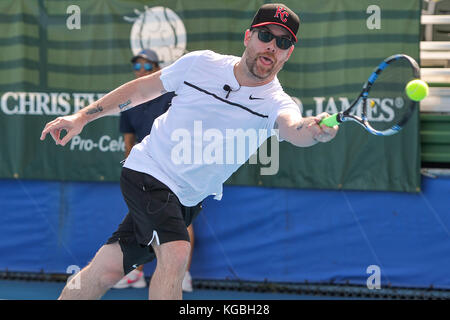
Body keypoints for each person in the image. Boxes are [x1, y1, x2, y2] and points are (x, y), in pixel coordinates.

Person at [40, 3, 338, 300]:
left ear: (289, 53)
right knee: (177, 253)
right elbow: (141, 90)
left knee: (106, 270)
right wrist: (82, 117)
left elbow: (294, 129)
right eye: (265, 36)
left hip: (186, 198)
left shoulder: (277, 102)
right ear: (248, 37)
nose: (272, 46)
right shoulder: (201, 64)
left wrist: (315, 132)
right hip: (149, 172)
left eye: (282, 42)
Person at [112, 49, 194, 291]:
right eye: (137, 67)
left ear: (158, 69)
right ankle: (136, 273)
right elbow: (129, 140)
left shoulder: (172, 95)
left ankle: (183, 275)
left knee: (183, 220)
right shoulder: (129, 100)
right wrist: (133, 169)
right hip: (144, 170)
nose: (141, 71)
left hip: (176, 168)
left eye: (147, 67)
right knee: (140, 218)